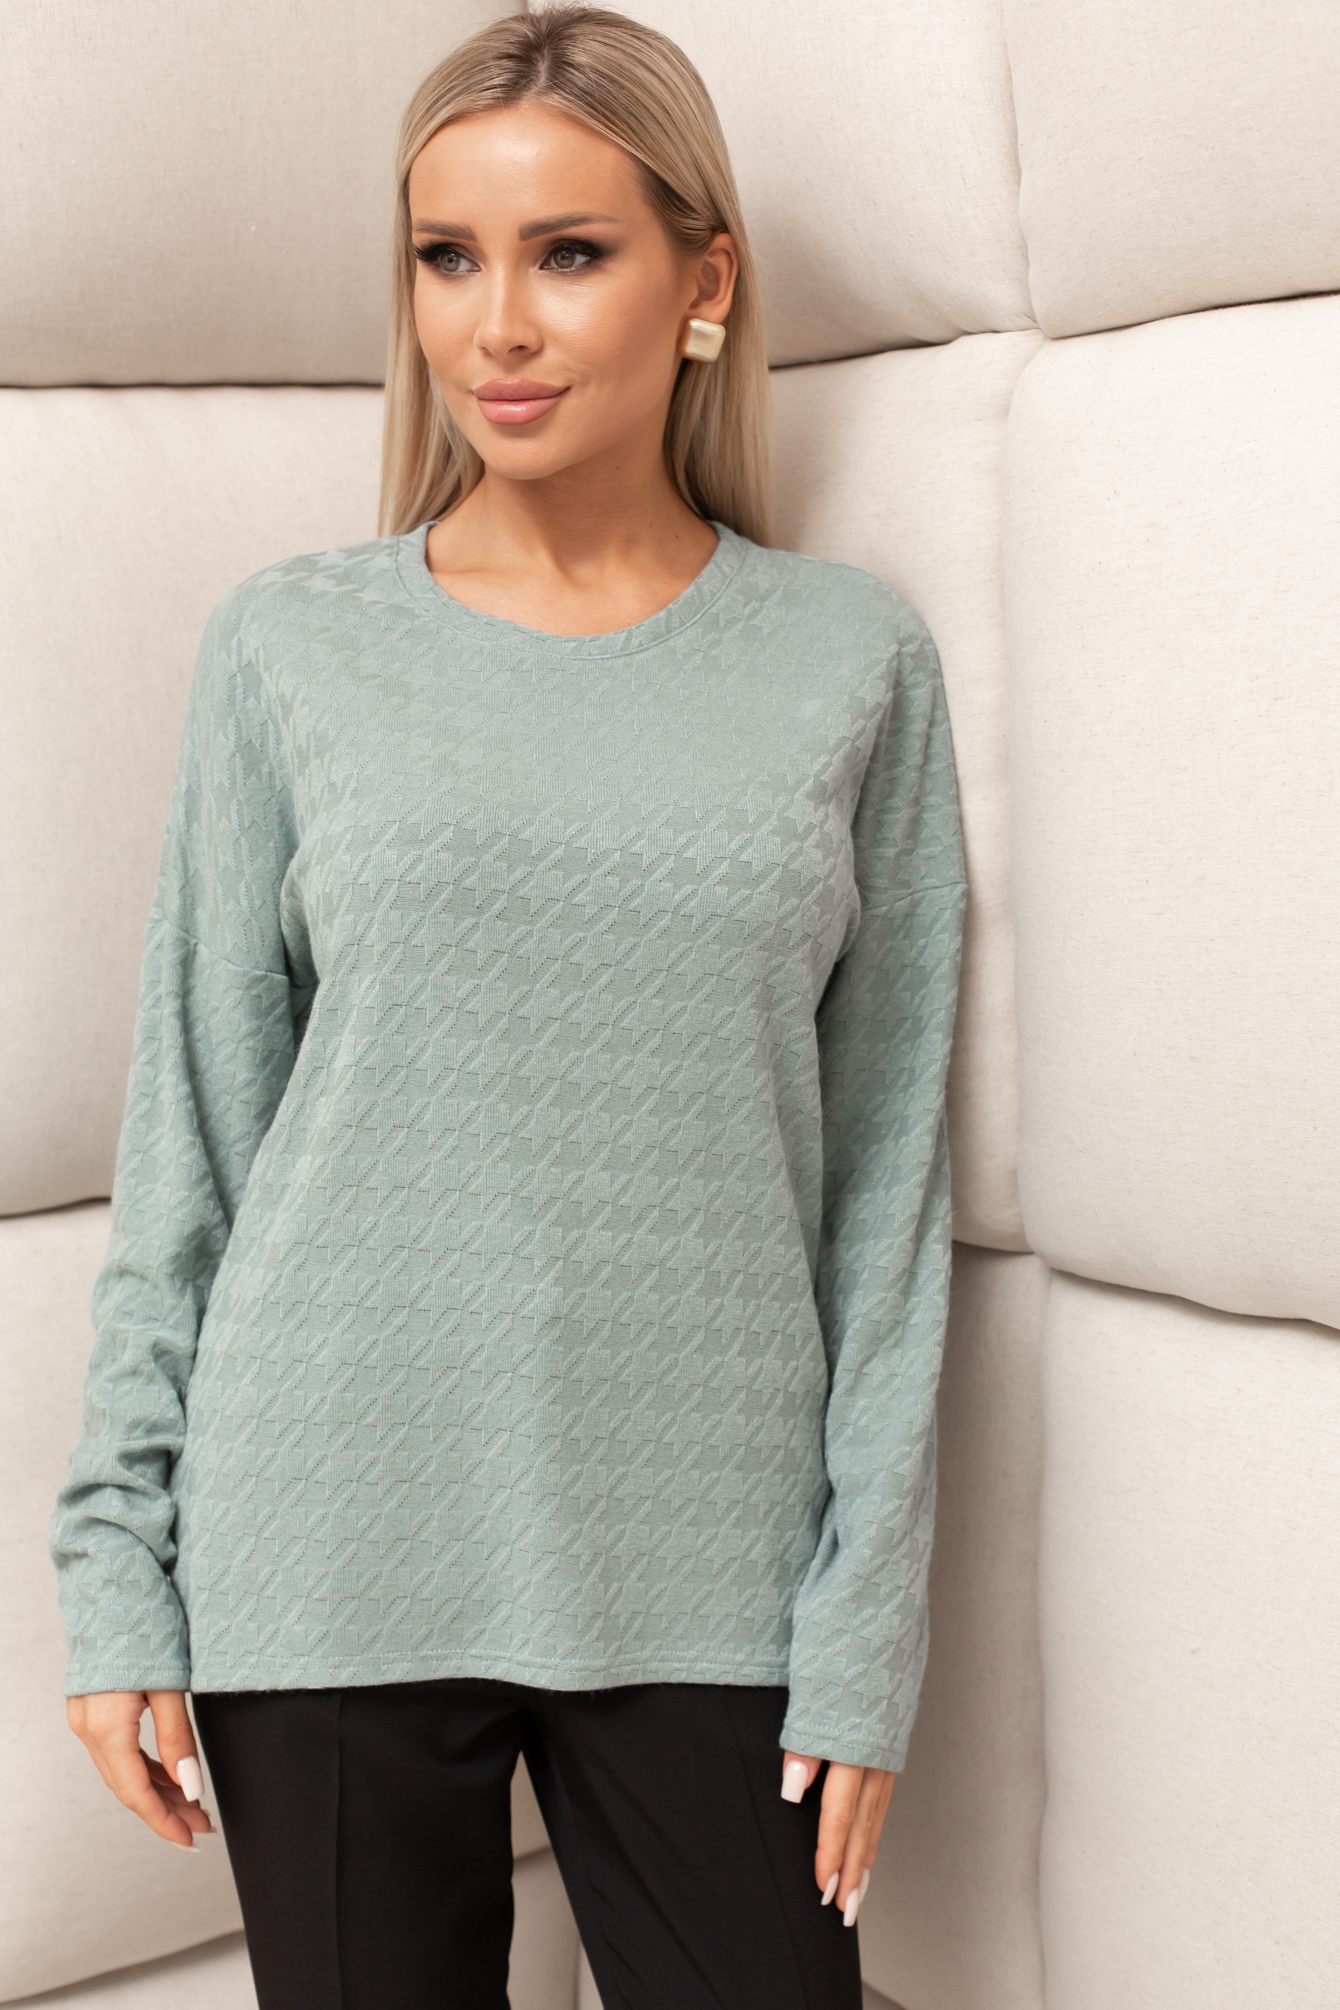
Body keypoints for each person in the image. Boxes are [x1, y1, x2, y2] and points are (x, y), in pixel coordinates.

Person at [49, 8, 967, 2006]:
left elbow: (886, 1200)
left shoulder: (850, 662)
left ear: (703, 279)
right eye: (446, 257)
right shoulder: (288, 647)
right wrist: (114, 1562)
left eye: (569, 251)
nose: (499, 324)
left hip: (713, 1564)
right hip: (326, 1538)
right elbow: (194, 1132)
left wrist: (864, 1624)